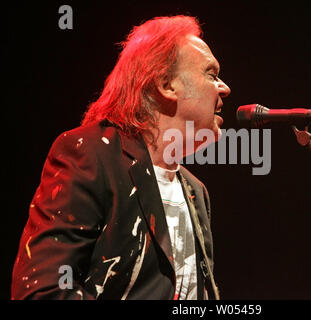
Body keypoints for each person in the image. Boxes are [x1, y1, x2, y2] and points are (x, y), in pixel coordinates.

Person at [11, 15, 231, 300]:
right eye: (211, 75)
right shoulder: (90, 154)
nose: (224, 87)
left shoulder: (195, 192)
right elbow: (43, 290)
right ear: (166, 84)